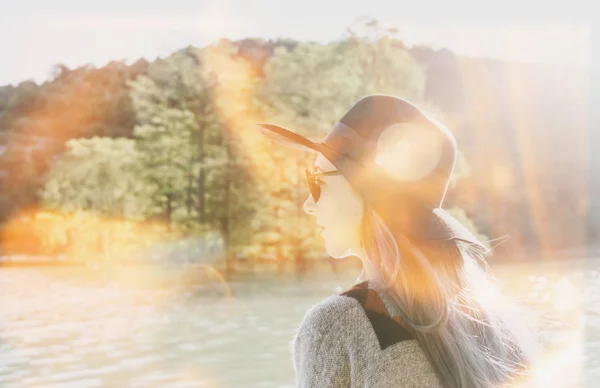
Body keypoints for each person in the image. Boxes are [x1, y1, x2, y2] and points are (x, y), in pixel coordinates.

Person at [257, 95, 541, 388]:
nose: (308, 204)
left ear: (366, 189)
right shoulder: (492, 324)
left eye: (317, 181)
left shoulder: (338, 325)